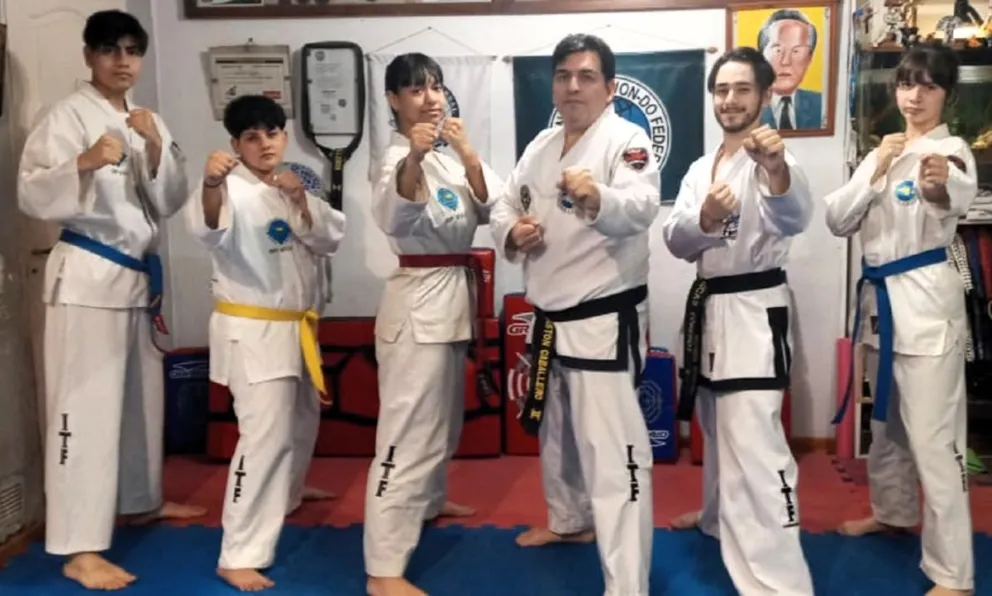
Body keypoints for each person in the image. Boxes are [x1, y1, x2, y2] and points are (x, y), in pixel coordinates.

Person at [16, 9, 204, 591]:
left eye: (132, 50)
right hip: (87, 276)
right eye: (109, 50)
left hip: (133, 277)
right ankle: (78, 548)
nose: (122, 62)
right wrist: (84, 161)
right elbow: (30, 192)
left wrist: (156, 147)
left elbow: (170, 200)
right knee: (84, 410)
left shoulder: (148, 118)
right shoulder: (66, 115)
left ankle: (140, 501)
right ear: (88, 56)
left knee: (140, 403)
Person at [489, 34, 659, 596]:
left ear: (609, 88)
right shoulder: (541, 145)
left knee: (614, 456)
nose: (573, 86)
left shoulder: (627, 140)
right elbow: (504, 203)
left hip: (601, 318)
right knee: (558, 438)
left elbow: (640, 207)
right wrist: (512, 231)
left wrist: (596, 198)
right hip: (548, 317)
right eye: (563, 76)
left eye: (586, 76)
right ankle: (568, 521)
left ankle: (627, 585)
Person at [661, 47, 815, 595]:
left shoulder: (777, 158)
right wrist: (705, 217)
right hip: (709, 310)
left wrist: (775, 169)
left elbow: (795, 216)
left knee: (757, 452)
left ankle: (781, 585)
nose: (730, 99)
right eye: (722, 90)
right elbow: (676, 240)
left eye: (743, 89)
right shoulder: (699, 169)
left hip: (753, 312)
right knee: (716, 432)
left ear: (766, 95)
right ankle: (716, 517)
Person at [826, 43, 976, 596]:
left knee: (935, 442)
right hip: (880, 308)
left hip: (926, 310)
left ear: (947, 96)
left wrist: (936, 181)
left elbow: (951, 192)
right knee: (886, 428)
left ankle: (953, 574)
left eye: (929, 86)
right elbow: (836, 218)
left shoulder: (952, 150)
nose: (915, 96)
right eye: (907, 84)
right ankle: (892, 512)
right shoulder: (881, 151)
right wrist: (878, 169)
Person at [184, 94, 346, 591]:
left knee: (301, 423)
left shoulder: (288, 184)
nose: (265, 144)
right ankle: (238, 553)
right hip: (254, 331)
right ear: (235, 144)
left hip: (296, 328)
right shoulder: (227, 187)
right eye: (252, 137)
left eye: (272, 133)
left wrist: (300, 199)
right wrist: (210, 184)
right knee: (264, 439)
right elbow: (208, 229)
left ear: (284, 136)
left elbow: (330, 238)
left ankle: (287, 494)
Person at [363, 52, 502, 596]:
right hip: (417, 305)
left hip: (452, 299)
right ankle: (383, 569)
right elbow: (394, 213)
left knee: (443, 424)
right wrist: (414, 159)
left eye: (436, 87)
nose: (431, 98)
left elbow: (493, 208)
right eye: (417, 89)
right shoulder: (394, 159)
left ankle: (426, 500)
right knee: (406, 435)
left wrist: (467, 154)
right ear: (394, 100)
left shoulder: (448, 159)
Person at [757, 9, 823, 130]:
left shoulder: (822, 104)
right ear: (761, 56)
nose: (786, 61)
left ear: (809, 58)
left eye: (796, 51)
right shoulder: (747, 106)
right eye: (778, 50)